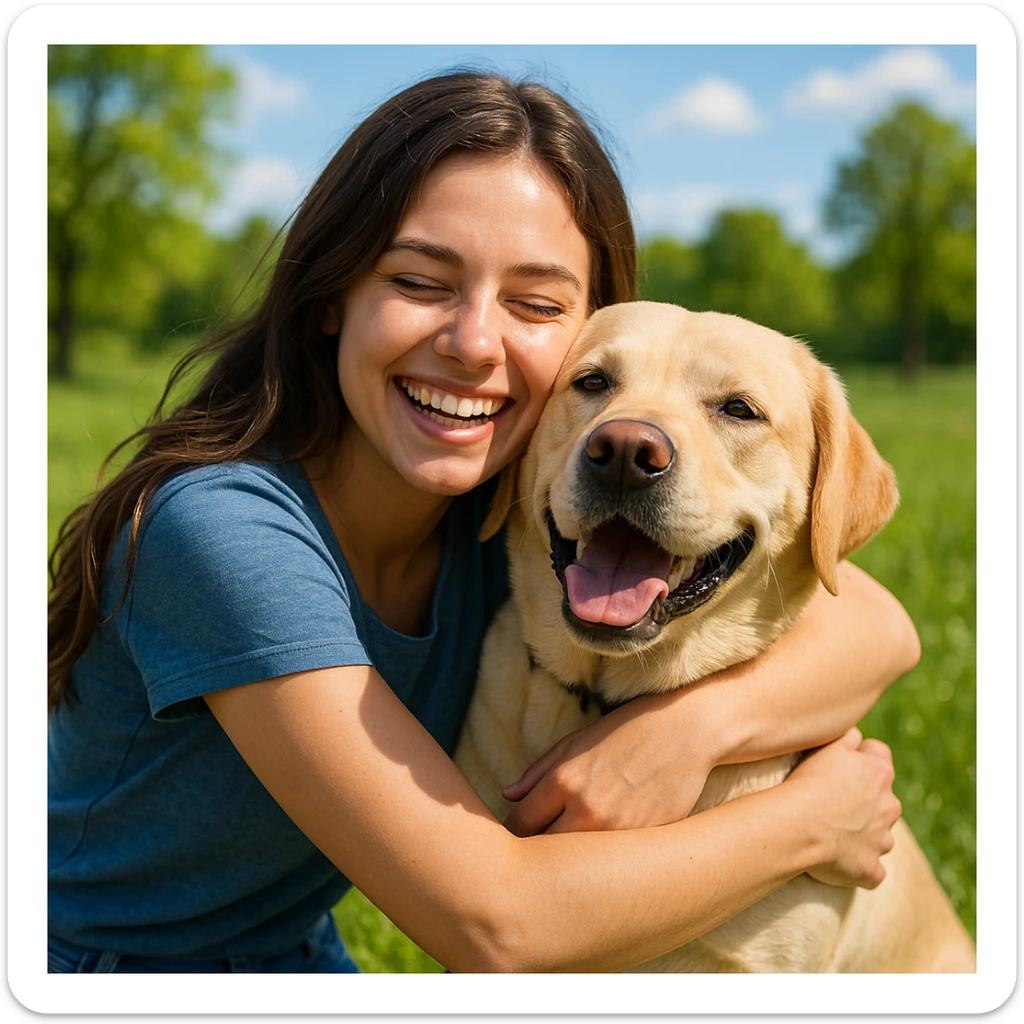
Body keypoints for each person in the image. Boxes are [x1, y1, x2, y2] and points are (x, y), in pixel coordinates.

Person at [47, 71, 917, 975]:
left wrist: (687, 732)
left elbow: (882, 625)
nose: (471, 342)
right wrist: (806, 821)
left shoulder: (499, 514)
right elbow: (499, 928)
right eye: (420, 281)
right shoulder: (224, 533)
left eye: (537, 305)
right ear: (329, 294)